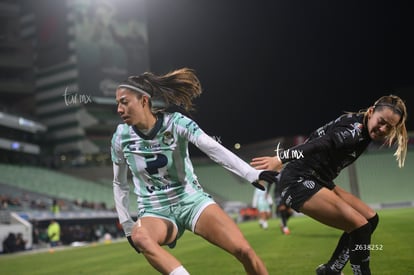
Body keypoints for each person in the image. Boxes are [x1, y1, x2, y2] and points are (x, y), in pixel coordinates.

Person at [111, 68, 278, 275]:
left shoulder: (176, 123)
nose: (119, 109)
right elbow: (119, 183)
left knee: (244, 250)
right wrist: (127, 224)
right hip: (155, 211)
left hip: (191, 201)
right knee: (140, 237)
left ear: (144, 101)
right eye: (118, 103)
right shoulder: (120, 137)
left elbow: (212, 148)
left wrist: (250, 173)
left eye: (124, 102)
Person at [250, 95, 407, 275]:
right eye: (381, 122)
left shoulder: (364, 127)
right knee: (361, 228)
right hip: (298, 180)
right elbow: (320, 144)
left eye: (389, 127)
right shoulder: (353, 131)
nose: (383, 129)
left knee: (371, 220)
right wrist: (280, 158)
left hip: (320, 179)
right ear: (371, 112)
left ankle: (331, 270)